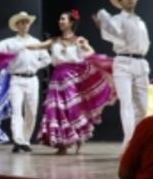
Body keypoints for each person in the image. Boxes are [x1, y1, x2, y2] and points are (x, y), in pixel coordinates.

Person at [37, 10, 116, 154]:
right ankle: (62, 145)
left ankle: (78, 137)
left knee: (73, 109)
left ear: (71, 22)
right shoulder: (54, 41)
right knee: (57, 109)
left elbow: (91, 53)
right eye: (60, 19)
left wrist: (85, 45)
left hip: (72, 79)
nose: (60, 22)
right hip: (57, 79)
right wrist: (20, 46)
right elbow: (37, 46)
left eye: (63, 19)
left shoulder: (78, 40)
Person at [0, 11, 51, 153]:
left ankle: (25, 140)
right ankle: (18, 140)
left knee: (32, 112)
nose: (24, 24)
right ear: (16, 26)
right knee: (16, 111)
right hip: (16, 79)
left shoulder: (36, 42)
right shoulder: (10, 42)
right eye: (21, 22)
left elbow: (47, 59)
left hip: (32, 79)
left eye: (26, 22)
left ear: (29, 24)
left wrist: (36, 66)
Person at [93, 0, 151, 146]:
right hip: (124, 62)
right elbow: (112, 33)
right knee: (126, 103)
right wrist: (104, 26)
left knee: (143, 106)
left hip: (140, 62)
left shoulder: (140, 21)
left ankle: (138, 141)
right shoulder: (117, 19)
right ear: (120, 1)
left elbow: (144, 43)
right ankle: (129, 142)